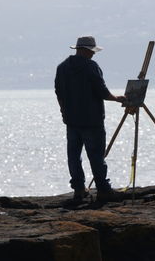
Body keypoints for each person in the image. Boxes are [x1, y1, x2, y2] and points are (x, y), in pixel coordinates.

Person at [55, 36, 126, 202]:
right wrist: (117, 98)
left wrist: (64, 111)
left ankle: (79, 189)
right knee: (96, 156)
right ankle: (103, 189)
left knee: (74, 156)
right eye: (92, 51)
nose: (93, 55)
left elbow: (58, 92)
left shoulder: (62, 67)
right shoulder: (90, 67)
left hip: (71, 120)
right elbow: (101, 91)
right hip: (92, 120)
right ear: (86, 50)